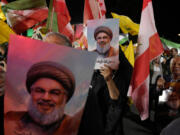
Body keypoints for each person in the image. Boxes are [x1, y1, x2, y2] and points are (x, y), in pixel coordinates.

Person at [4, 61, 82, 135]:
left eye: (54, 93)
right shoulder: (11, 118)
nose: (46, 98)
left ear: (65, 97)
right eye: (39, 91)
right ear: (31, 92)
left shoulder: (72, 127)